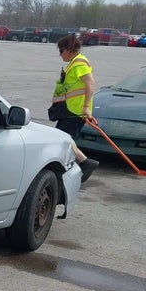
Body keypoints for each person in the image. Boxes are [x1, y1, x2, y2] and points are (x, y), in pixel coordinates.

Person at [51, 34, 99, 183]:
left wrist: (86, 107)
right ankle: (82, 163)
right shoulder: (74, 63)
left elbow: (90, 83)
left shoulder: (79, 64)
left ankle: (84, 163)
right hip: (71, 110)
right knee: (63, 139)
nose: (60, 54)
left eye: (61, 51)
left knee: (62, 139)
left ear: (68, 49)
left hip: (75, 110)